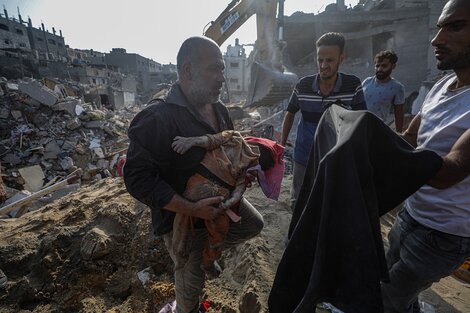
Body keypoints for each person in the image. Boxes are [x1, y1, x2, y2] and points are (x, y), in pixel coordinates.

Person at [124, 36, 264, 313]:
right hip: (182, 218)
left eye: (223, 69)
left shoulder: (219, 110)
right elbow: (137, 179)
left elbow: (227, 151)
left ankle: (204, 255)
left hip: (217, 204)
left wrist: (241, 173)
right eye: (215, 69)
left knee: (253, 224)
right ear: (188, 70)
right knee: (190, 291)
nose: (222, 77)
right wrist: (191, 208)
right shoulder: (158, 116)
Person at [381, 0, 470, 311]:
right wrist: (359, 133)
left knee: (389, 299)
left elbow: (450, 171)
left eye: (455, 26)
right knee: (390, 284)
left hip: (444, 236)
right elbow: (408, 140)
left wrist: (373, 139)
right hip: (412, 214)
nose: (437, 39)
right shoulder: (441, 86)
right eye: (439, 27)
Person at [280, 32, 366, 211]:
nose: (324, 65)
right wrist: (280, 145)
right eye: (320, 60)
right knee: (298, 200)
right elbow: (290, 114)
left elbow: (361, 119)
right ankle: (296, 237)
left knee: (330, 199)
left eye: (330, 60)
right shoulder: (303, 85)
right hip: (304, 155)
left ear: (341, 58)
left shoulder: (353, 85)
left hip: (335, 156)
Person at [362, 50, 405, 132]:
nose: (379, 69)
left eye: (384, 66)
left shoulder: (397, 87)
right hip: (360, 127)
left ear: (393, 66)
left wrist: (399, 135)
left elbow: (399, 114)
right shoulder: (366, 82)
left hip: (378, 130)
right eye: (377, 66)